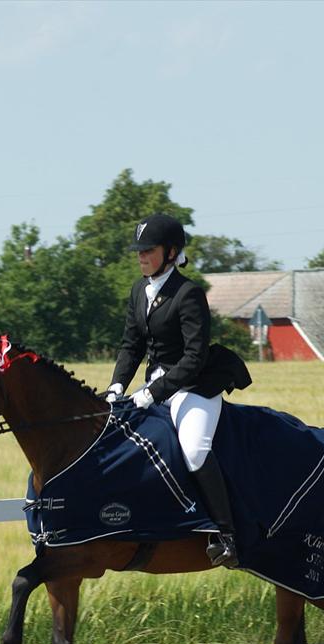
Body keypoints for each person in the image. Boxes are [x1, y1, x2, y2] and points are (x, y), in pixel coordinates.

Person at [104, 213, 252, 568]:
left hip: (194, 386)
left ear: (171, 253)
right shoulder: (139, 290)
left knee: (194, 448)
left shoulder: (188, 294)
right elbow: (131, 346)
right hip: (155, 385)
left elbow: (194, 357)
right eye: (138, 251)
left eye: (148, 250)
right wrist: (116, 386)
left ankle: (227, 535)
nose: (141, 257)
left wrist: (153, 392)